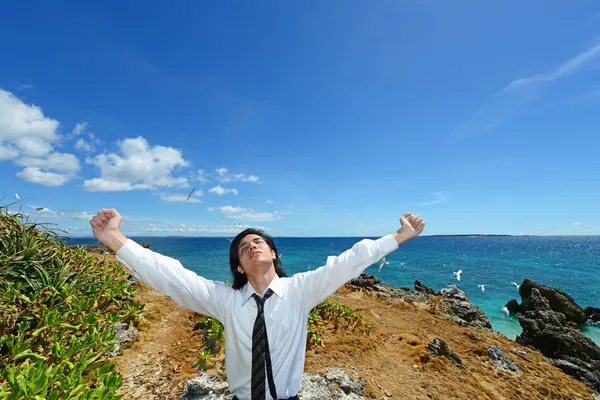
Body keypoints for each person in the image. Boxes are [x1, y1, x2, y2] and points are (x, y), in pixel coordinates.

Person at [90, 209, 424, 400]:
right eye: (244, 247)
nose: (252, 247)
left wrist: (399, 236)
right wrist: (114, 239)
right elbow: (172, 277)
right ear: (238, 266)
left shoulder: (301, 290)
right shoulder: (226, 300)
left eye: (258, 242)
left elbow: (348, 262)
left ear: (274, 253)